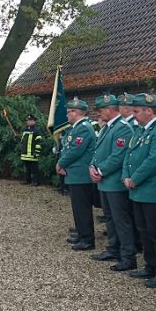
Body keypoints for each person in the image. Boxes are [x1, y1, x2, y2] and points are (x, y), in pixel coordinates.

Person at [122, 93, 156, 288]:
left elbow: (154, 161)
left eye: (136, 111)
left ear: (149, 111)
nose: (133, 114)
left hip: (154, 191)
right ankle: (150, 266)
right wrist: (125, 175)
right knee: (144, 230)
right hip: (138, 190)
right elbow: (129, 155)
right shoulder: (140, 131)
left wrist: (134, 178)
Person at [89, 94, 136, 270]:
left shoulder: (122, 128)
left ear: (110, 110)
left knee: (121, 220)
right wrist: (92, 167)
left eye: (100, 110)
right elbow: (98, 151)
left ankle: (128, 256)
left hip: (114, 182)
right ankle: (113, 248)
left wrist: (100, 170)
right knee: (109, 217)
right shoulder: (107, 128)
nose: (99, 114)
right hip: (104, 181)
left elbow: (118, 156)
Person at [57, 98, 97, 249]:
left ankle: (87, 239)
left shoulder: (84, 128)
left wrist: (61, 163)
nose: (67, 115)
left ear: (76, 112)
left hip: (81, 175)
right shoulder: (76, 128)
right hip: (75, 174)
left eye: (69, 112)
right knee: (77, 208)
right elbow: (69, 148)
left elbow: (75, 150)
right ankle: (81, 234)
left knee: (82, 208)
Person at [19, 115, 43, 186]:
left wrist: (37, 152)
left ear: (33, 121)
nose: (28, 122)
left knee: (34, 169)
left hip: (33, 153)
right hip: (25, 154)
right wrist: (17, 138)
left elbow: (39, 142)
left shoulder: (36, 130)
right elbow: (22, 141)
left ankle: (35, 182)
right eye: (27, 120)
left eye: (29, 120)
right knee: (27, 168)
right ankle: (27, 180)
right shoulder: (25, 130)